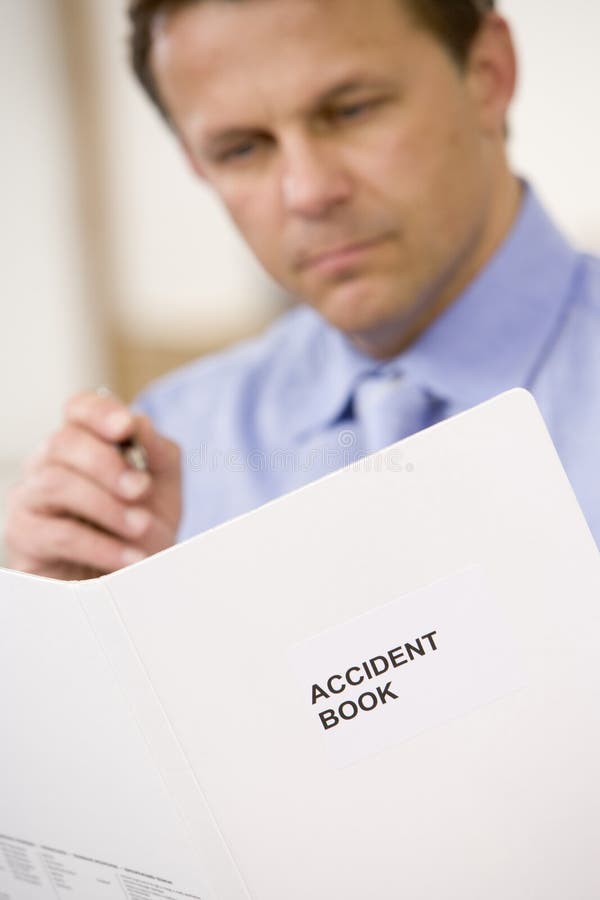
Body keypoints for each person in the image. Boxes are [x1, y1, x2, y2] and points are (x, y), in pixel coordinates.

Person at [4, 0, 600, 579]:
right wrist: (80, 641)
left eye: (351, 111)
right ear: (197, 164)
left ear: (487, 74)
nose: (309, 192)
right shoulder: (165, 459)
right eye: (241, 149)